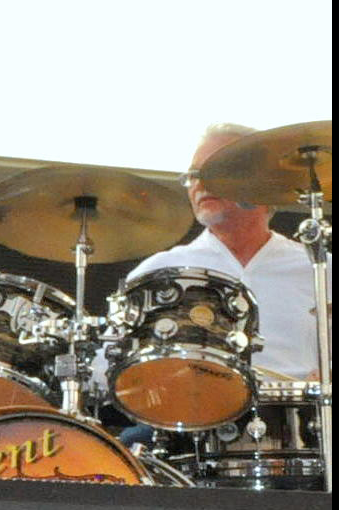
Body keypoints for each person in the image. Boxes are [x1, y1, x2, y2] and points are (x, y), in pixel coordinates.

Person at [126, 123, 327, 381]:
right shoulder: (160, 272)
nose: (199, 184)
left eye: (213, 171)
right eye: (193, 175)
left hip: (296, 405)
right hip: (190, 403)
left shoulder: (319, 269)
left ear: (261, 179)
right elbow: (108, 365)